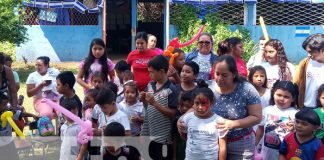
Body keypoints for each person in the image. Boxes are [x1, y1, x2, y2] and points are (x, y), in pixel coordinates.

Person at [178, 55, 261, 159]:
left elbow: (257, 117)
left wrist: (232, 124)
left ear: (234, 74)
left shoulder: (247, 89)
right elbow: (196, 105)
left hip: (240, 144)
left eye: (225, 75)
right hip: (212, 144)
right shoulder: (208, 86)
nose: (220, 78)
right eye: (217, 74)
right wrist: (182, 119)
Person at [140, 55, 178, 159]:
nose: (149, 74)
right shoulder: (150, 85)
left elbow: (173, 114)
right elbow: (149, 108)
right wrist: (144, 99)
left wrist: (155, 103)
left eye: (152, 72)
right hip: (150, 132)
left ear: (161, 71)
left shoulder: (171, 89)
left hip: (163, 137)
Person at [180, 82, 227, 160]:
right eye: (197, 103)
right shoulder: (187, 118)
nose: (200, 107)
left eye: (204, 103)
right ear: (193, 103)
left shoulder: (219, 121)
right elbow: (184, 136)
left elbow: (222, 147)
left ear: (211, 103)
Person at [255, 80, 299, 160]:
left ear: (293, 99)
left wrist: (295, 128)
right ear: (273, 94)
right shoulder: (267, 110)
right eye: (279, 95)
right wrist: (254, 145)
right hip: (267, 154)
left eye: (286, 97)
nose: (282, 99)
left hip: (286, 154)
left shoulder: (296, 115)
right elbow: (260, 129)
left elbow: (300, 136)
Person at [0, 92, 39, 159]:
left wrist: (32, 115)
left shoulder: (9, 111)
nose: (6, 106)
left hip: (9, 142)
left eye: (6, 104)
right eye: (3, 105)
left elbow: (21, 114)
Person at [294, 33, 324, 109]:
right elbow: (296, 83)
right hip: (306, 107)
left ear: (322, 50)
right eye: (307, 52)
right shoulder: (304, 63)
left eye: (311, 52)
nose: (308, 55)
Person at [172, 91, 193, 160]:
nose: (184, 108)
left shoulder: (194, 121)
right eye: (182, 105)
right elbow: (174, 139)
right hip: (180, 150)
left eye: (187, 106)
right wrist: (174, 156)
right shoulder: (176, 120)